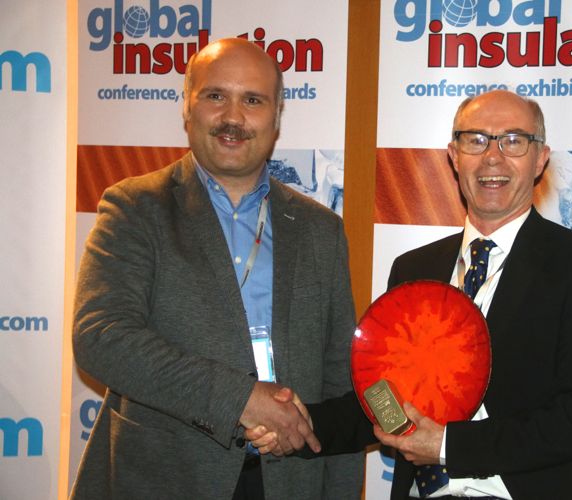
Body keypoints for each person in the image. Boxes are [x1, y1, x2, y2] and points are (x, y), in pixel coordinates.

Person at [253, 89, 572, 499]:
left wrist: (448, 446)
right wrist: (298, 424)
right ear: (454, 156)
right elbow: (384, 402)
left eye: (513, 140)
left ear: (540, 158)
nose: (492, 156)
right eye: (476, 140)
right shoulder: (414, 269)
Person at [71, 38, 363, 500]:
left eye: (253, 100)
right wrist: (240, 400)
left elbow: (340, 383)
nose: (233, 117)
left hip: (288, 481)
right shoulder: (135, 208)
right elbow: (101, 336)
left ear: (277, 117)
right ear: (187, 108)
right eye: (215, 96)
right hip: (165, 479)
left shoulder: (320, 229)